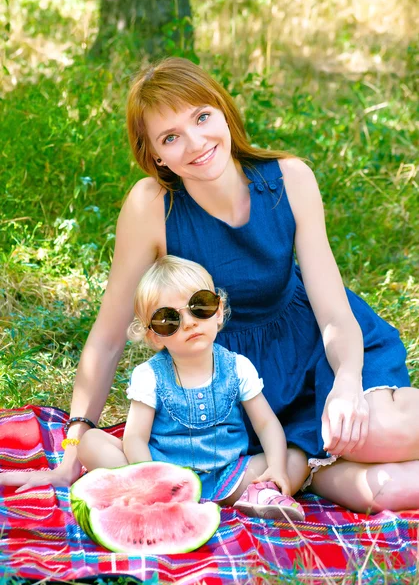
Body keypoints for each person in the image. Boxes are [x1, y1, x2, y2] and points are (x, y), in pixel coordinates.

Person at [2, 57, 418, 514]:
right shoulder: (151, 206)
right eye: (170, 137)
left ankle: (312, 453)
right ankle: (308, 467)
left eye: (201, 117)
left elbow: (335, 315)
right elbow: (106, 337)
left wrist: (345, 382)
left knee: (377, 430)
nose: (196, 143)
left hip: (317, 351)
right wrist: (70, 453)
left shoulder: (289, 180)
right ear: (156, 154)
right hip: (230, 383)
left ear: (222, 110)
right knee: (389, 490)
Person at [76, 255, 307, 521]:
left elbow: (266, 424)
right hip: (164, 475)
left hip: (230, 475)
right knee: (91, 442)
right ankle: (154, 498)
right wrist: (153, 477)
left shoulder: (238, 367)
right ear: (154, 336)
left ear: (218, 312)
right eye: (168, 319)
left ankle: (261, 491)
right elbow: (135, 438)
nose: (189, 322)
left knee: (295, 458)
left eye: (200, 306)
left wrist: (276, 468)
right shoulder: (149, 376)